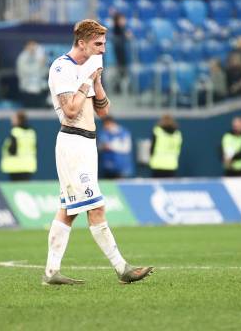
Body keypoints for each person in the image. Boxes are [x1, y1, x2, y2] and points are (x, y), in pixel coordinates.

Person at [44, 19, 152, 285]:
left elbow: (103, 111)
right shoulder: (62, 68)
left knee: (68, 211)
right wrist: (85, 82)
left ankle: (51, 273)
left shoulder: (87, 68)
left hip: (87, 144)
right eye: (98, 44)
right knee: (97, 208)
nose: (103, 49)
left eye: (104, 43)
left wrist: (97, 81)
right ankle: (122, 268)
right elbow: (70, 112)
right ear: (82, 43)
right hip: (72, 143)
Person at [0, 111, 37, 181]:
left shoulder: (15, 132)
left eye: (14, 118)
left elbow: (12, 149)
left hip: (15, 167)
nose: (12, 120)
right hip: (28, 166)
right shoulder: (31, 132)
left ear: (19, 120)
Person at [16, 40, 47, 107]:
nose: (33, 48)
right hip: (27, 87)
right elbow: (26, 71)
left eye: (34, 46)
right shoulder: (22, 57)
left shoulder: (38, 56)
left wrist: (43, 63)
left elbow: (44, 72)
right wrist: (39, 64)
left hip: (39, 88)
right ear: (26, 47)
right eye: (31, 45)